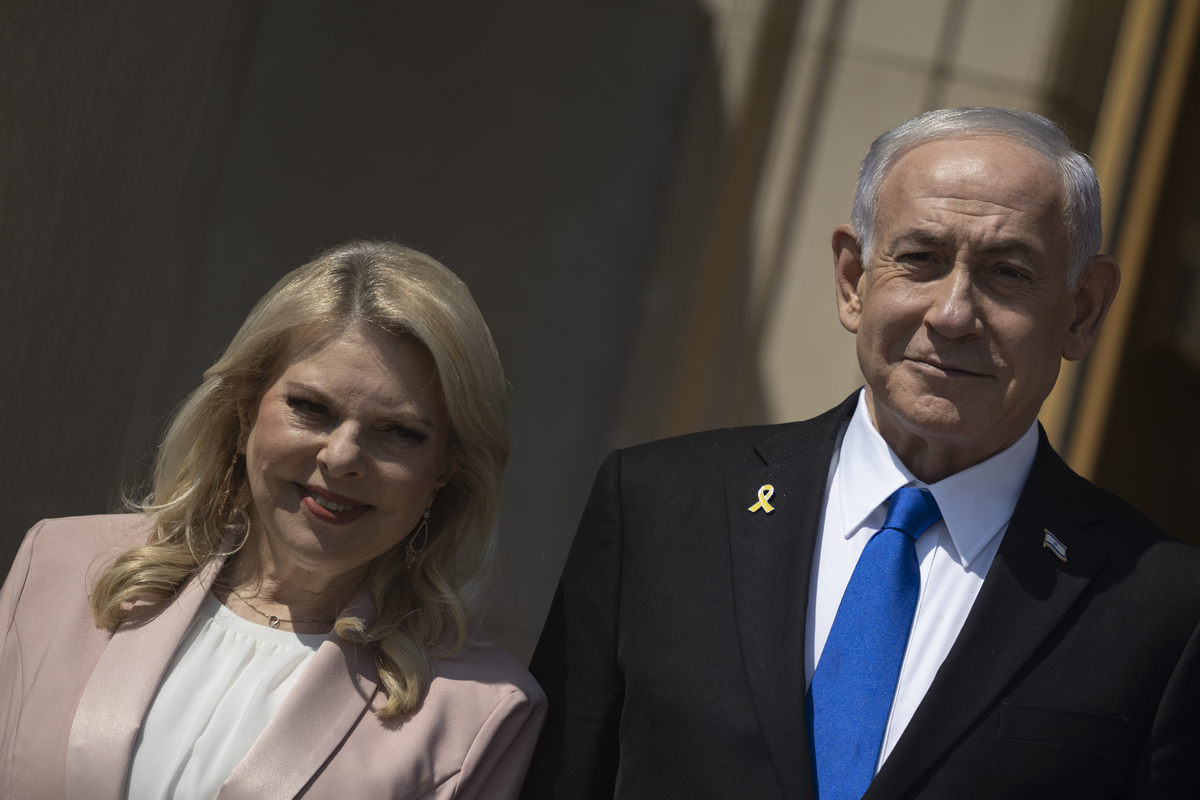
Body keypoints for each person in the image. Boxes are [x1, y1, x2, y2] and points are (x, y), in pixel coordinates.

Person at [520, 108, 1200, 799]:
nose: (953, 314)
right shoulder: (659, 508)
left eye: (1007, 272)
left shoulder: (1163, 606)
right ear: (853, 279)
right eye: (921, 260)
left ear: (1082, 309)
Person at [0, 240, 546, 799]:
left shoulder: (481, 712)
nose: (341, 457)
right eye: (312, 408)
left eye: (399, 432)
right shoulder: (59, 565)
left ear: (445, 470)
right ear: (244, 411)